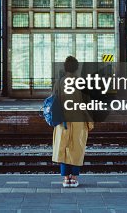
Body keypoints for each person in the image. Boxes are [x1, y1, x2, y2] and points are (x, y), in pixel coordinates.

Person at [52, 56, 94, 188]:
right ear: (76, 68)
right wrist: (90, 121)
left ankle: (66, 179)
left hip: (62, 121)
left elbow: (54, 101)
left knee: (63, 148)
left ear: (65, 68)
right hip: (78, 120)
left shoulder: (59, 82)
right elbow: (87, 104)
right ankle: (74, 178)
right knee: (77, 148)